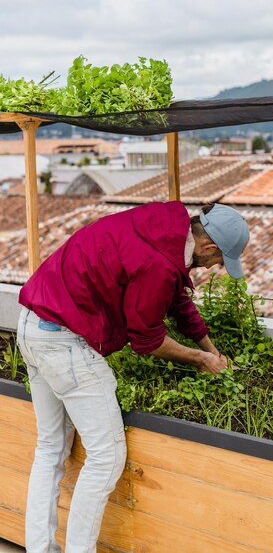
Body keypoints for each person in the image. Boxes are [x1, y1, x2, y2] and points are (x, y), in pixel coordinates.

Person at [16, 200, 250, 553]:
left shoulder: (161, 228)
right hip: (64, 341)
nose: (214, 267)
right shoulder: (158, 262)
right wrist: (200, 359)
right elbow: (148, 340)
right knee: (106, 457)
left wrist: (210, 346)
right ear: (209, 246)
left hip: (33, 325)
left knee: (50, 448)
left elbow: (176, 297)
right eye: (219, 261)